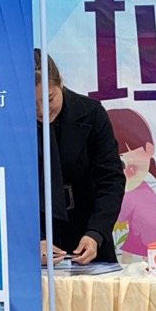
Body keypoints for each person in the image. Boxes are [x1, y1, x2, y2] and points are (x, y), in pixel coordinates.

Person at [36, 51, 126, 265]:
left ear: (61, 84)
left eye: (49, 99)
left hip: (86, 224)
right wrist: (33, 238)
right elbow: (11, 190)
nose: (42, 111)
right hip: (37, 230)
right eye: (32, 103)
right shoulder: (11, 123)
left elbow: (110, 179)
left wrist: (96, 233)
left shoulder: (91, 113)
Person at [107, 108, 156, 255]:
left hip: (148, 254)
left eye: (124, 162)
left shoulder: (133, 194)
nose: (120, 169)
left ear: (148, 149)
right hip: (138, 251)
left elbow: (110, 214)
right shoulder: (137, 190)